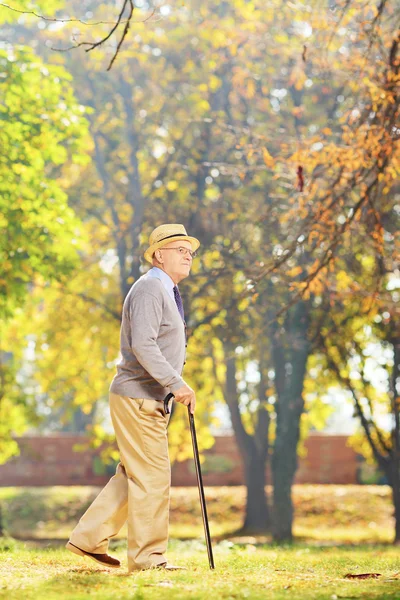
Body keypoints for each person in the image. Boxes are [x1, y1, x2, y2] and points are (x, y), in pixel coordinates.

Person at [66, 223, 199, 572]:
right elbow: (143, 345)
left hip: (145, 398)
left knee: (134, 476)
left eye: (190, 250)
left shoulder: (163, 290)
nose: (188, 254)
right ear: (158, 255)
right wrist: (176, 383)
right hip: (138, 397)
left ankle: (88, 539)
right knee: (153, 478)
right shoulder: (150, 289)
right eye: (179, 248)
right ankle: (148, 559)